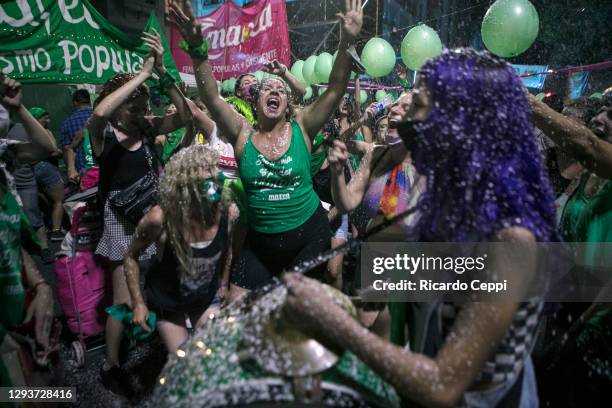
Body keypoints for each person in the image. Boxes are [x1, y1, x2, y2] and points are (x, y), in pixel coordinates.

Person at [284, 49, 559, 407]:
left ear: (462, 122)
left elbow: (443, 385)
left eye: (418, 108)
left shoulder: (509, 239)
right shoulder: (454, 208)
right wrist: (349, 305)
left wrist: (334, 322)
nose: (406, 125)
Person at [169, 0, 363, 290]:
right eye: (267, 88)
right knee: (238, 304)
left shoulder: (302, 126)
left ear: (286, 105)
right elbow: (211, 98)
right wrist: (198, 50)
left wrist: (347, 39)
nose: (274, 90)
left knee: (297, 308)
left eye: (280, 90)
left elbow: (335, 89)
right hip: (261, 243)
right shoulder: (241, 133)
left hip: (308, 236)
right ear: (256, 102)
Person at [86, 30, 189, 397]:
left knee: (159, 284)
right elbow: (98, 112)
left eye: (143, 102)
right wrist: (141, 75)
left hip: (153, 216)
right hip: (120, 221)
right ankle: (110, 364)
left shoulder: (148, 129)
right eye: (134, 102)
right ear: (119, 104)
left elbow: (186, 117)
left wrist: (163, 72)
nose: (142, 108)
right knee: (123, 300)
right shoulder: (104, 133)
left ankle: (159, 342)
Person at [123, 146, 238, 353]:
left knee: (214, 353)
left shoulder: (227, 212)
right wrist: (138, 303)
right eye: (206, 169)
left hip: (204, 297)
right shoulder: (160, 219)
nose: (216, 175)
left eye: (215, 168)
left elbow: (228, 250)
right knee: (184, 359)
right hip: (169, 302)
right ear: (185, 182)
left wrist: (223, 283)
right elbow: (131, 257)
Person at [1, 75, 58, 264]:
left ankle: (43, 249)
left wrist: (19, 107)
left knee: (33, 214)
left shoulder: (7, 141)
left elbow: (45, 148)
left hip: (25, 182)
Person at [29, 108, 65, 242]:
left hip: (33, 168)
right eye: (45, 118)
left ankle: (46, 227)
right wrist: (61, 153)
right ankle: (56, 231)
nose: (48, 120)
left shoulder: (26, 131)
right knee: (58, 200)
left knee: (42, 199)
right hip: (47, 167)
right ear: (37, 119)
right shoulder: (43, 132)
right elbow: (52, 151)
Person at [61, 89, 93, 184]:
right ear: (89, 101)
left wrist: (71, 170)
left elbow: (66, 149)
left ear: (75, 102)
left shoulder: (67, 123)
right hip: (104, 166)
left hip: (83, 171)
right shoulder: (100, 117)